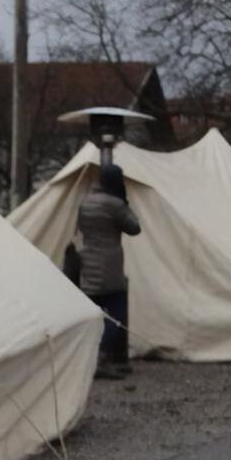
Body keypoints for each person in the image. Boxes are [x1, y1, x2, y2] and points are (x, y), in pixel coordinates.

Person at [77, 163, 141, 380]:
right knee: (116, 316)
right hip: (110, 267)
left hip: (88, 265)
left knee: (93, 315)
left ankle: (89, 357)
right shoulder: (114, 204)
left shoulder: (86, 202)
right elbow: (134, 227)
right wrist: (125, 203)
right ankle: (104, 359)